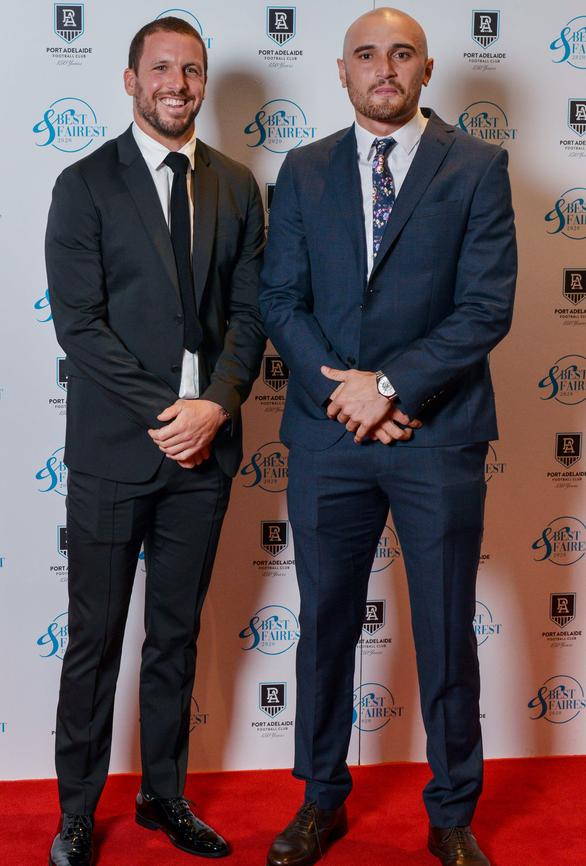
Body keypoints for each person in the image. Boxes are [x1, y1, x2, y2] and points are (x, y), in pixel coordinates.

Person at [259, 8, 516, 866]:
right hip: (331, 436)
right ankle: (320, 801)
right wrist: (349, 395)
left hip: (435, 432)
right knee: (325, 622)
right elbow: (281, 301)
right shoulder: (302, 169)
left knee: (444, 627)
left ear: (427, 68)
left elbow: (486, 307)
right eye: (366, 54)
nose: (384, 68)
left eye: (400, 53)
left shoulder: (477, 167)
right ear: (341, 71)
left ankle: (451, 813)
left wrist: (394, 386)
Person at [45, 17, 265, 865]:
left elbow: (248, 318)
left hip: (204, 454)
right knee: (95, 639)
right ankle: (75, 812)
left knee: (175, 635)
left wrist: (214, 406)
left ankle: (163, 797)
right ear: (131, 79)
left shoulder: (239, 186)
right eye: (162, 69)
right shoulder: (84, 183)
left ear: (204, 83)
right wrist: (170, 411)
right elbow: (80, 326)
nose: (178, 83)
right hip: (115, 452)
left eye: (193, 70)